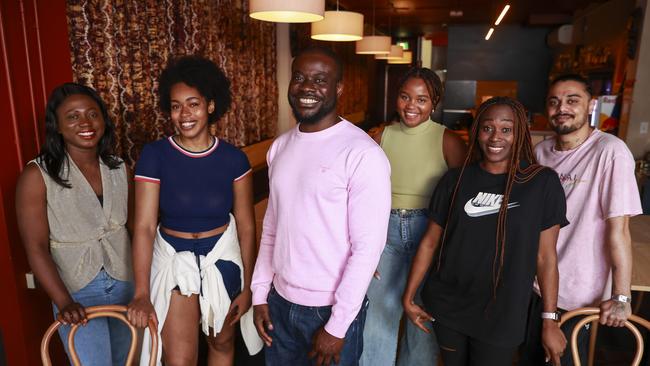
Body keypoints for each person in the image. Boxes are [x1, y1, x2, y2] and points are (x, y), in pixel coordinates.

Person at [250, 46, 392, 366]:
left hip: (329, 311)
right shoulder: (280, 148)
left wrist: (338, 325)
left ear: (338, 88)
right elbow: (272, 228)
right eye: (299, 77)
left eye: (320, 79)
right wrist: (260, 294)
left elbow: (367, 248)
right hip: (279, 303)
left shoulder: (362, 154)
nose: (307, 87)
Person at [402, 97, 569, 366]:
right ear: (476, 131)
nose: (495, 137)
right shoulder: (454, 181)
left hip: (504, 313)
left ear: (519, 134)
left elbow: (546, 257)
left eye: (506, 129)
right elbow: (430, 243)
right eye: (487, 128)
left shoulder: (542, 183)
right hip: (449, 306)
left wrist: (549, 320)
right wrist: (408, 296)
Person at [127, 55, 261, 366]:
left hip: (221, 256)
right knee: (179, 359)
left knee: (222, 344)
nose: (184, 114)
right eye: (176, 106)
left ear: (211, 105)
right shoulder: (154, 156)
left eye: (193, 104)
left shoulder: (234, 159)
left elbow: (246, 225)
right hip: (174, 257)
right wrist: (142, 292)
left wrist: (249, 286)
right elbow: (145, 226)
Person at [519, 74, 643, 365]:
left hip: (579, 296)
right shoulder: (541, 152)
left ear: (591, 105)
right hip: (536, 285)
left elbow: (619, 231)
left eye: (572, 100)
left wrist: (622, 297)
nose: (562, 107)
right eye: (554, 102)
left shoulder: (610, 152)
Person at [16, 82, 134, 365]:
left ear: (103, 119)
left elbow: (135, 230)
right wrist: (64, 301)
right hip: (76, 290)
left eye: (92, 114)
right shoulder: (37, 175)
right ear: (57, 125)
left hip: (126, 283)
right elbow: (36, 247)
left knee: (128, 361)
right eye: (73, 116)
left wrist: (144, 287)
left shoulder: (120, 168)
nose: (85, 122)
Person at [360, 67, 467, 366]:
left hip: (430, 234)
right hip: (385, 233)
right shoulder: (381, 136)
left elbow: (462, 198)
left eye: (421, 99)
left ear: (435, 102)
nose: (411, 105)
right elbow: (361, 193)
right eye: (405, 97)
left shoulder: (449, 140)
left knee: (422, 318)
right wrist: (363, 250)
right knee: (377, 317)